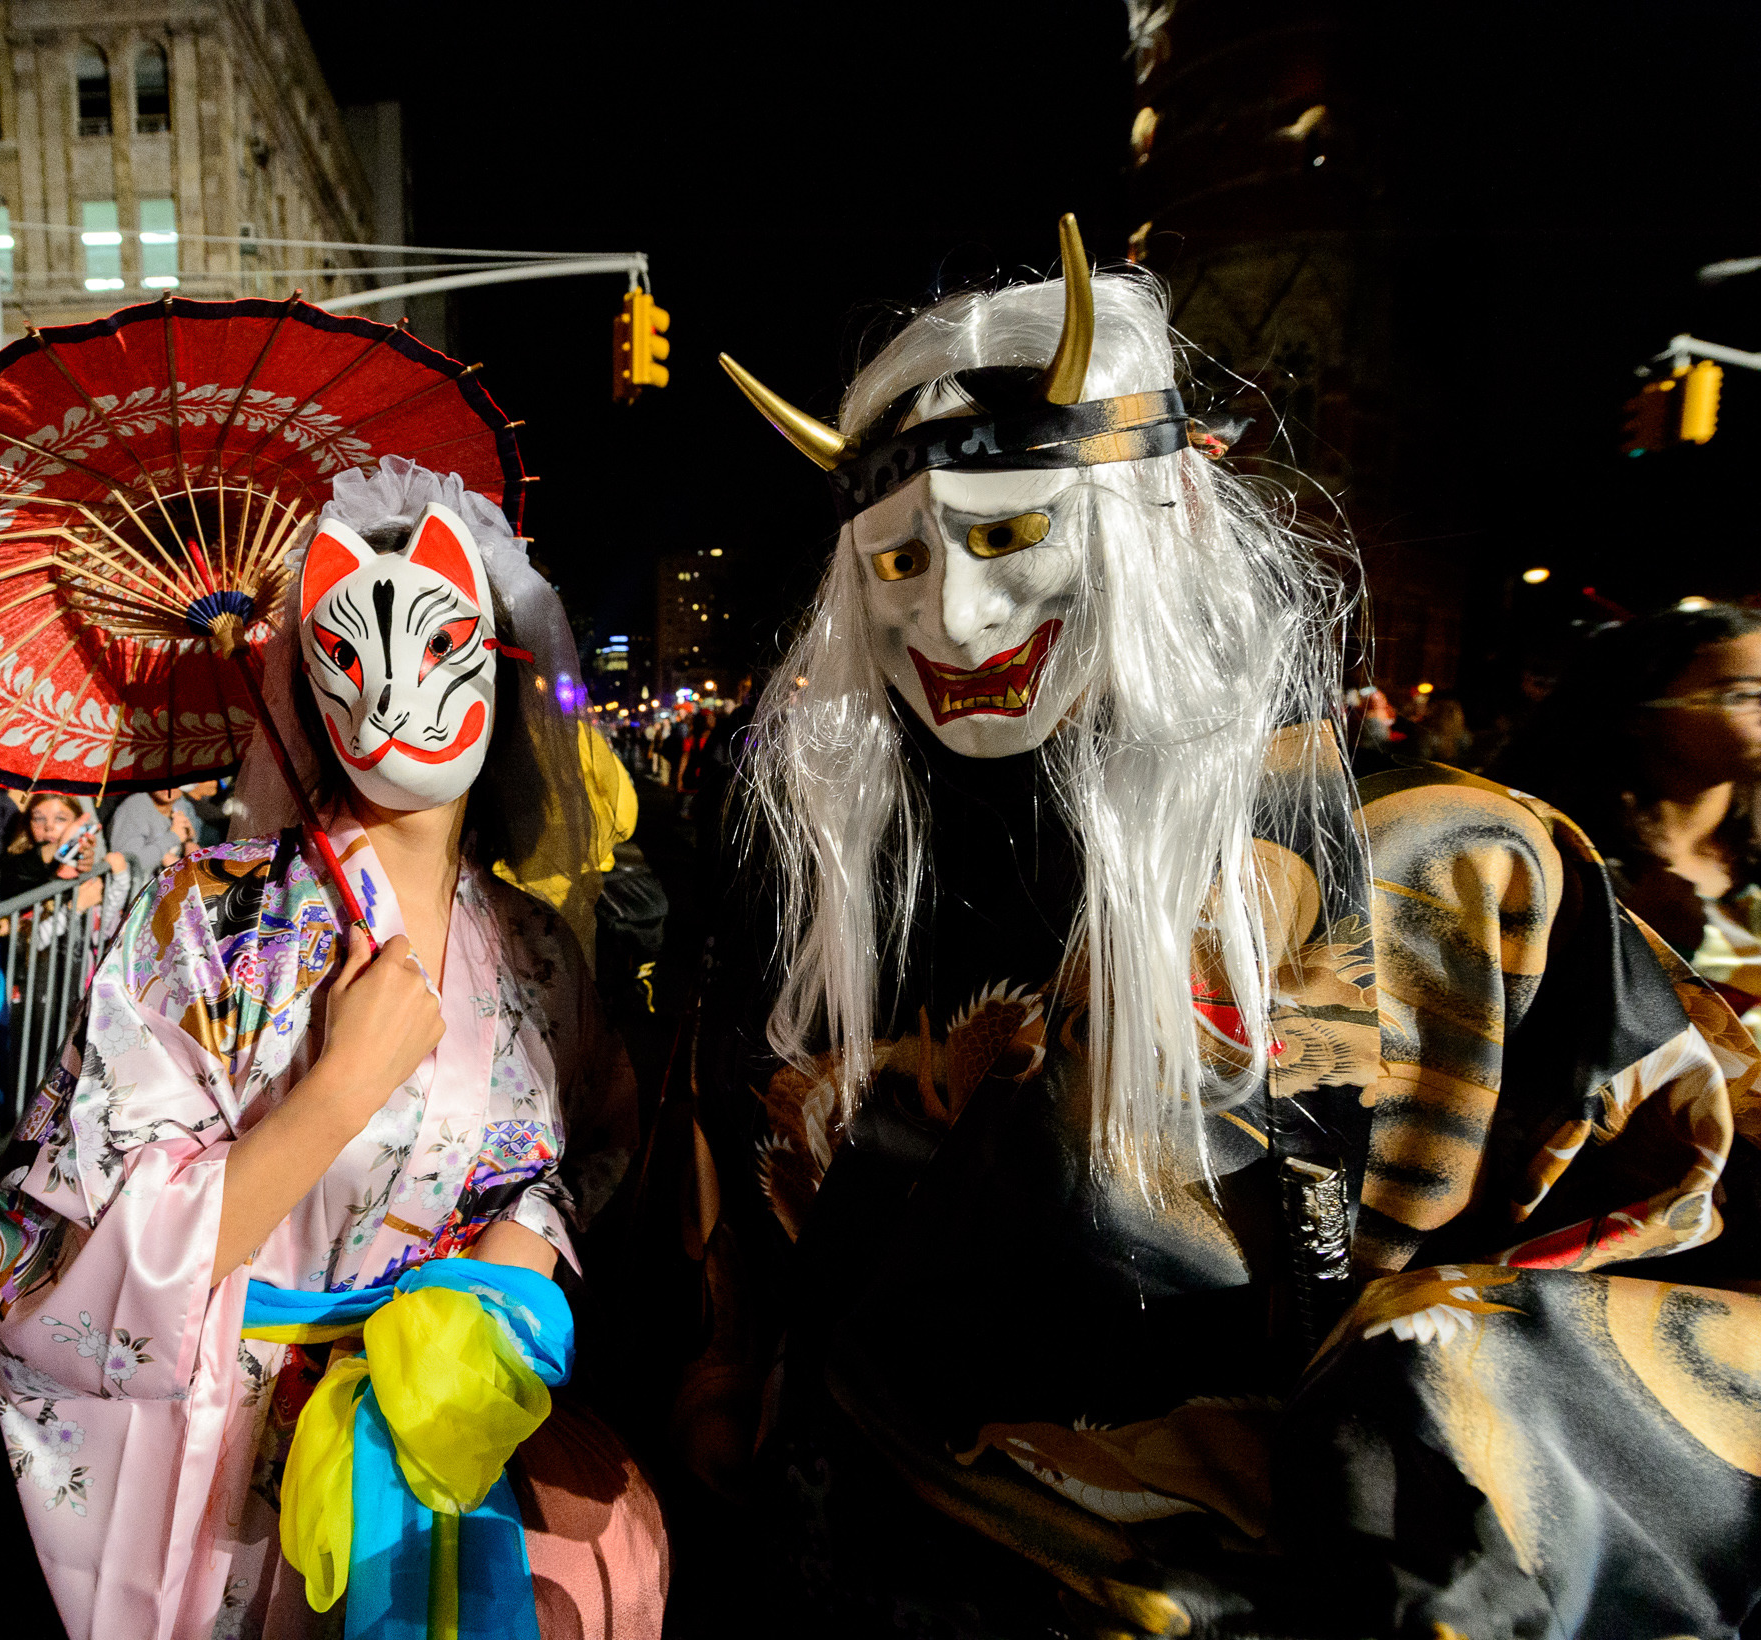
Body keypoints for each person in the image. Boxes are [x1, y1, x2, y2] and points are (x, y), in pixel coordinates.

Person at [670, 220, 1761, 1638]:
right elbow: (731, 1257)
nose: (955, 611)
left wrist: (1436, 1419)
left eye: (1008, 534)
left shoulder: (1445, 869)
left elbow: (1678, 1232)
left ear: (1158, 529)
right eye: (897, 563)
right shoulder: (810, 883)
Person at [0, 458, 661, 1640]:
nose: (396, 694)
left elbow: (590, 1139)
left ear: (495, 668)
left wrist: (520, 1246)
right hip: (242, 1460)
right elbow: (62, 1242)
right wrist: (337, 1089)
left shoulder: (536, 948)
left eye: (440, 640)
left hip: (457, 1422)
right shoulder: (202, 921)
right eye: (349, 652)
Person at [1494, 605, 1761, 1023]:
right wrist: (1640, 953)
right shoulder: (1555, 860)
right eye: (1743, 695)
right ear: (1640, 715)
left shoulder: (1750, 854)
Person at [0, 791, 106, 903]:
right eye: (38, 818)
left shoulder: (82, 856)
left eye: (60, 819)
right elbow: (12, 885)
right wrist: (62, 847)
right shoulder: (13, 862)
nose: (49, 826)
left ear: (77, 822)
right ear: (28, 822)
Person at [102, 784, 192, 888]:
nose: (169, 786)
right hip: (141, 894)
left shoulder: (181, 804)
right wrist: (172, 838)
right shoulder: (135, 807)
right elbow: (128, 865)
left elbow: (189, 839)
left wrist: (190, 841)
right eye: (162, 777)